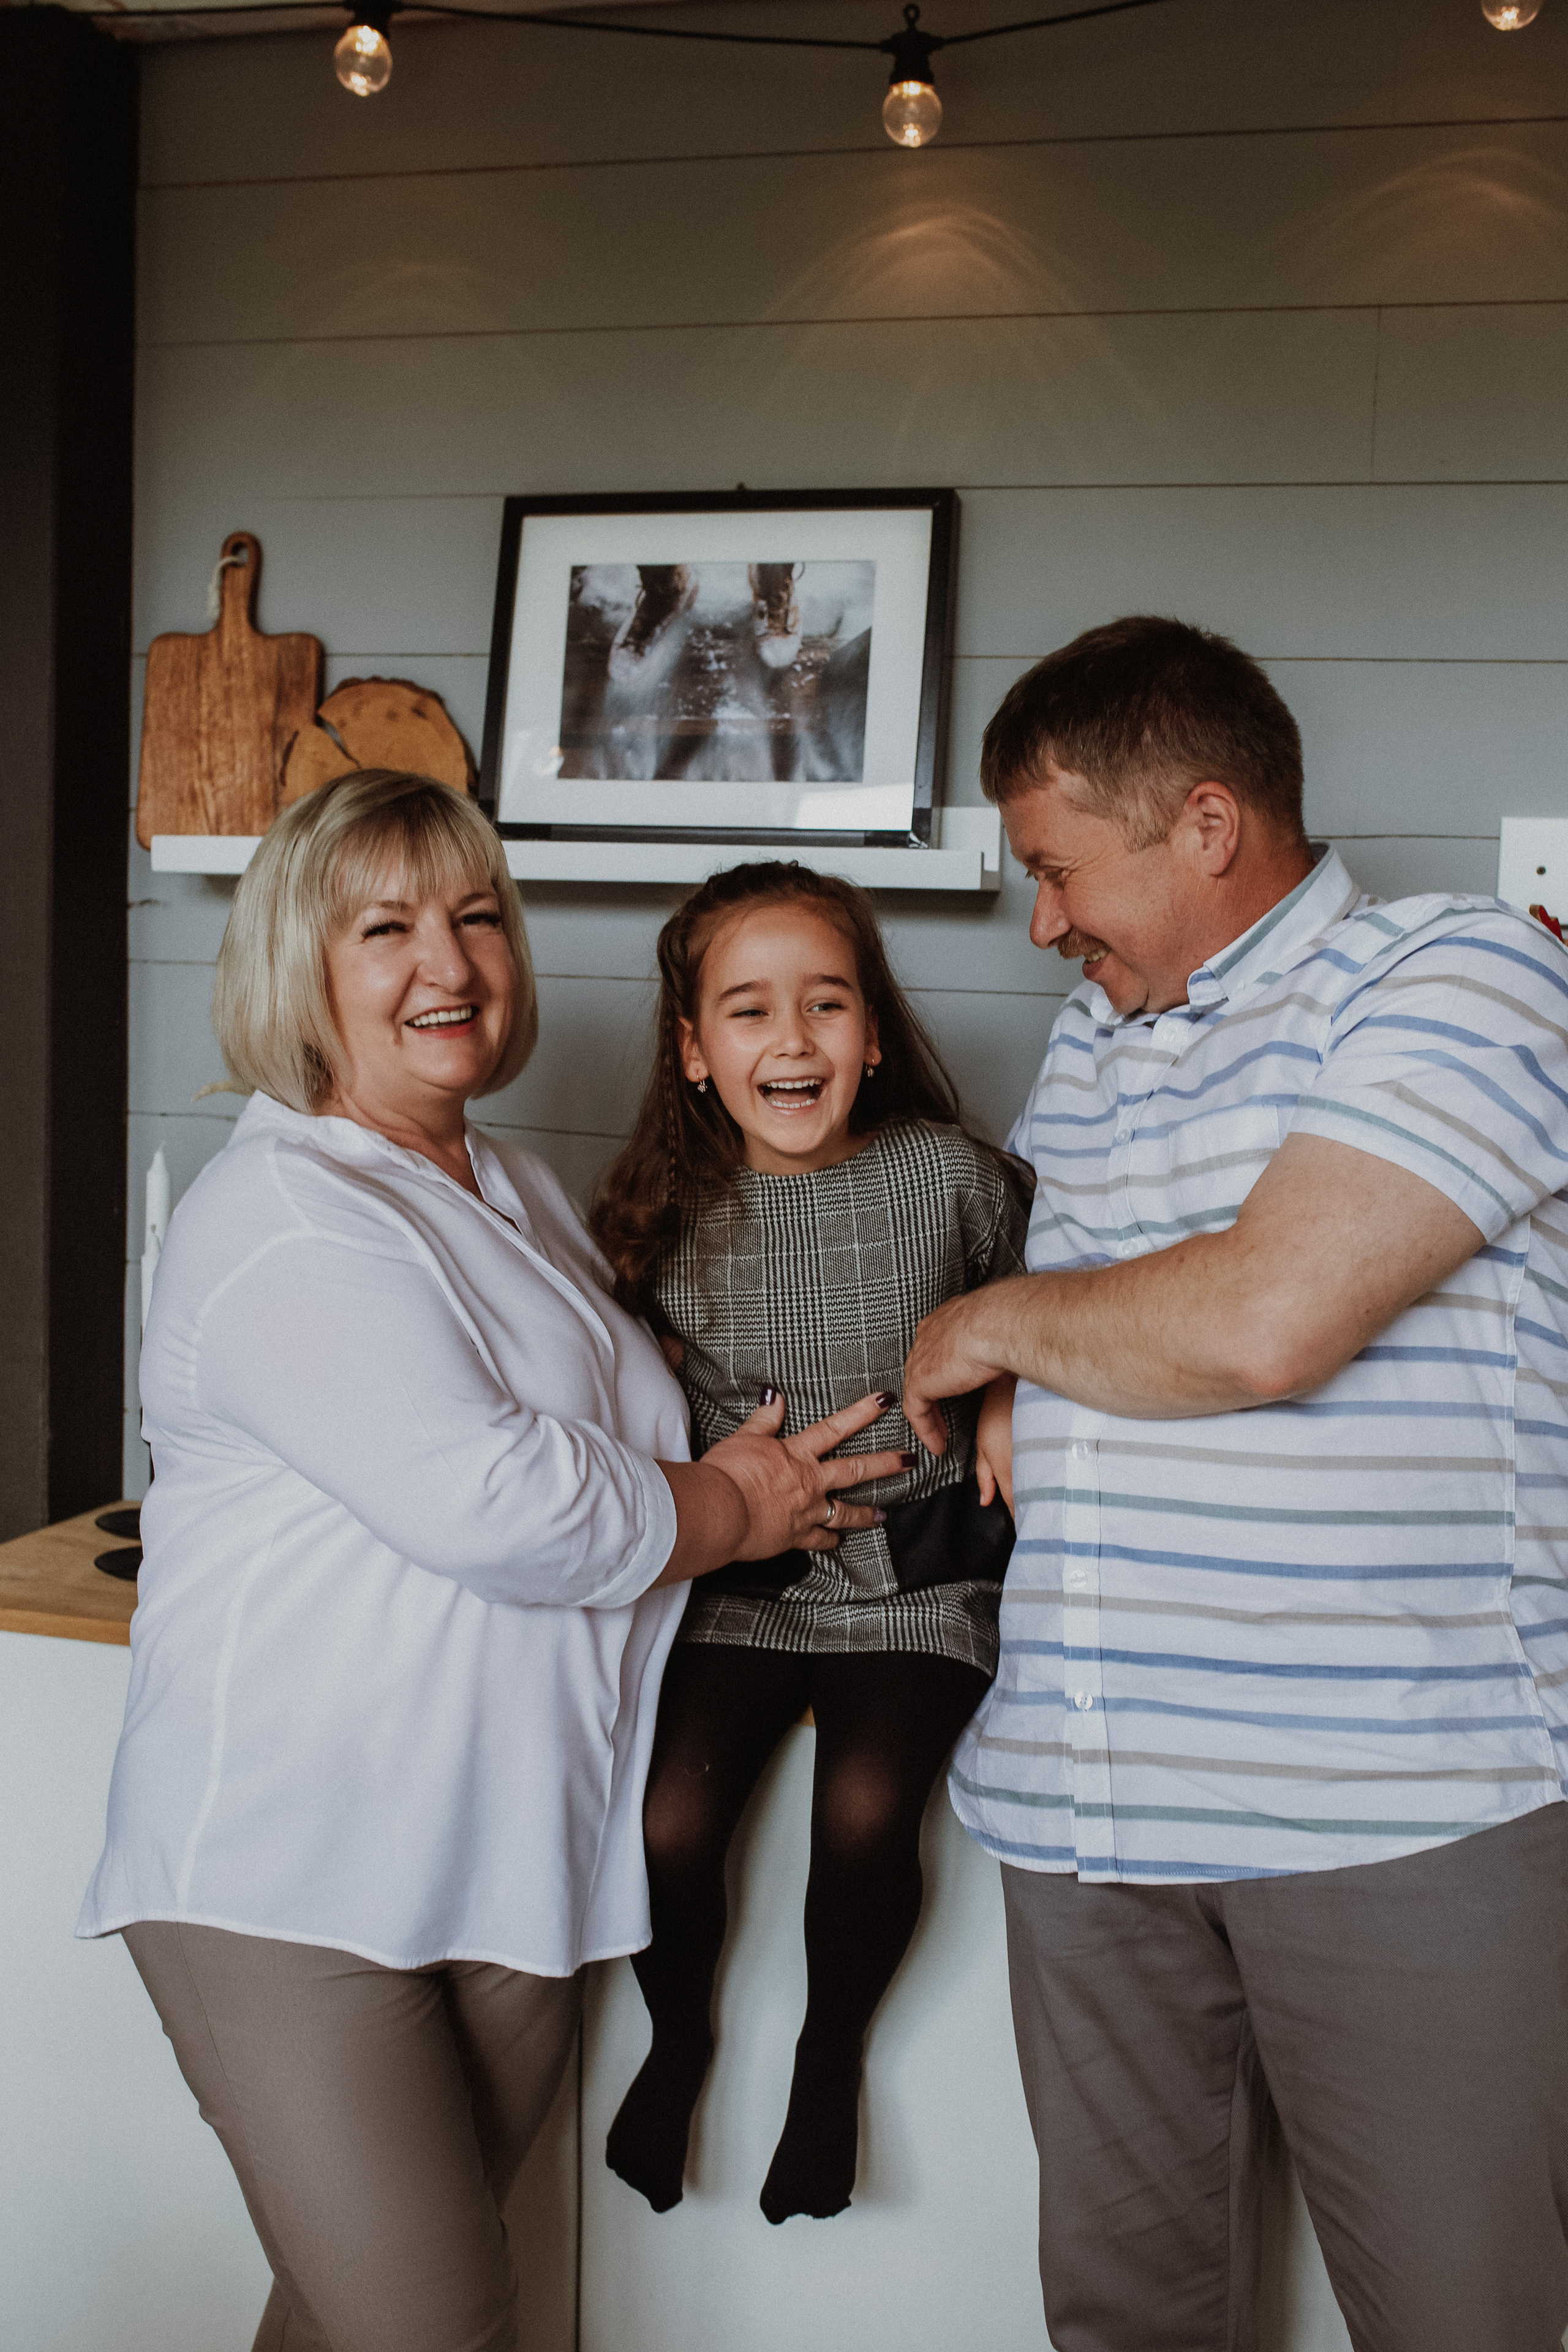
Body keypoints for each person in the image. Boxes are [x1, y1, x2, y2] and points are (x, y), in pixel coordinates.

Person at [77, 772, 906, 2352]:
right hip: (295, 1876)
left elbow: (624, 1406)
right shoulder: (288, 1215)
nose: (445, 965)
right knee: (441, 2326)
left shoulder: (502, 1183)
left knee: (345, 2323)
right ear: (297, 971)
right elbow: (508, 1503)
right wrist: (735, 1507)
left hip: (511, 1861)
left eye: (473, 918)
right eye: (384, 927)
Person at [900, 616, 1568, 2352]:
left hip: (1395, 1810)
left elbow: (1268, 1318)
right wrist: (1032, 1367)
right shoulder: (1092, 1040)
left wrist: (988, 1325)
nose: (1042, 923)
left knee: (1461, 2320)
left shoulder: (1463, 978)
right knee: (1123, 2324)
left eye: (1057, 871)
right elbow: (1099, 1354)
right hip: (1087, 1811)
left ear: (1206, 824)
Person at [589, 861, 1033, 2224]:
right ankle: (678, 2040)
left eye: (825, 1006)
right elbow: (623, 1384)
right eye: (747, 1012)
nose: (791, 1042)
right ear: (693, 1050)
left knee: (860, 1813)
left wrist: (1008, 1395)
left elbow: (1031, 1301)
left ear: (875, 1031)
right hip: (747, 1576)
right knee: (666, 1822)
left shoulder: (949, 1177)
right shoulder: (666, 1212)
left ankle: (826, 2057)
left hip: (914, 1568)